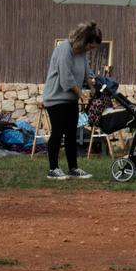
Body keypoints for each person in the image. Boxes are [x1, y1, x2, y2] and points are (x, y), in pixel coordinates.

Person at [43, 22, 100, 180]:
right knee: (58, 132)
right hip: (56, 98)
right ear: (84, 41)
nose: (91, 49)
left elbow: (87, 71)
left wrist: (92, 85)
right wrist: (81, 94)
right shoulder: (65, 49)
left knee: (71, 133)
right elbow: (66, 78)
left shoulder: (81, 52)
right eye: (91, 46)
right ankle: (53, 169)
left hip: (70, 99)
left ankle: (73, 168)